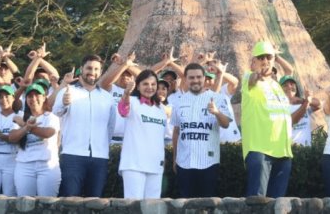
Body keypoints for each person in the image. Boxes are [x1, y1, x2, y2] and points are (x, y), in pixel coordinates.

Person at [241, 41, 299, 198]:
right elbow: (252, 79)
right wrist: (256, 74)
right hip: (260, 150)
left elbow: (289, 70)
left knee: (278, 204)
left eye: (268, 57)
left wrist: (277, 57)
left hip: (283, 152)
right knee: (258, 205)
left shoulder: (276, 85)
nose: (265, 61)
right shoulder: (248, 78)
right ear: (253, 62)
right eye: (260, 57)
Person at [52, 54, 115, 197]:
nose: (92, 72)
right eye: (89, 68)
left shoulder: (107, 98)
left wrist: (104, 147)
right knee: (70, 201)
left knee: (95, 201)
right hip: (73, 155)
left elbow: (110, 127)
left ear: (100, 72)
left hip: (100, 157)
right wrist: (64, 102)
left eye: (96, 69)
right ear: (81, 69)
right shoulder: (68, 91)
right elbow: (57, 112)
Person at [171, 63, 232, 198]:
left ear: (204, 78)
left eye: (199, 77)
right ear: (186, 79)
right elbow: (176, 132)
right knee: (185, 205)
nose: (195, 80)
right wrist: (174, 158)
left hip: (208, 162)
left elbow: (226, 123)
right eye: (191, 77)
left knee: (207, 204)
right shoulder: (179, 101)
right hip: (184, 163)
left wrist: (216, 112)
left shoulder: (218, 98)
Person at [117, 69, 166, 199]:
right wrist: (126, 93)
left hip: (155, 164)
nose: (150, 87)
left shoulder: (160, 108)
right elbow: (123, 110)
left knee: (153, 207)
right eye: (145, 84)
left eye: (153, 84)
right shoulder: (132, 102)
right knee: (134, 206)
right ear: (138, 86)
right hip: (134, 164)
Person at [8, 84, 61, 196]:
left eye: (37, 95)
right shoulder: (21, 116)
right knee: (25, 204)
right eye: (30, 96)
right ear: (26, 99)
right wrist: (26, 127)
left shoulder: (51, 117)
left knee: (47, 204)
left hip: (48, 166)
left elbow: (47, 133)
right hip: (24, 166)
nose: (33, 99)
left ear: (44, 97)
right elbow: (12, 137)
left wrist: (24, 125)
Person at [279, 75, 320, 146]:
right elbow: (292, 120)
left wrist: (304, 100)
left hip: (307, 149)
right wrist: (307, 102)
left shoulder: (302, 103)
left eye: (292, 84)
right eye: (285, 85)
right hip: (291, 149)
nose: (289, 87)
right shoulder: (279, 106)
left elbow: (319, 105)